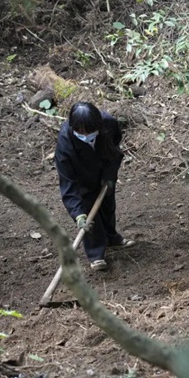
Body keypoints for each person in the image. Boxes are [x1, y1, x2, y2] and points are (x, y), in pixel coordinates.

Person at [55, 102, 134, 271]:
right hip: (81, 177)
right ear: (74, 128)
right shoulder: (65, 145)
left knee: (107, 206)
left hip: (104, 168)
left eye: (90, 132)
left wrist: (109, 175)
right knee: (89, 216)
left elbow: (115, 145)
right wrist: (78, 214)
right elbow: (68, 183)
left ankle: (112, 238)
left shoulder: (108, 123)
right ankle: (96, 254)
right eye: (81, 133)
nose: (86, 135)